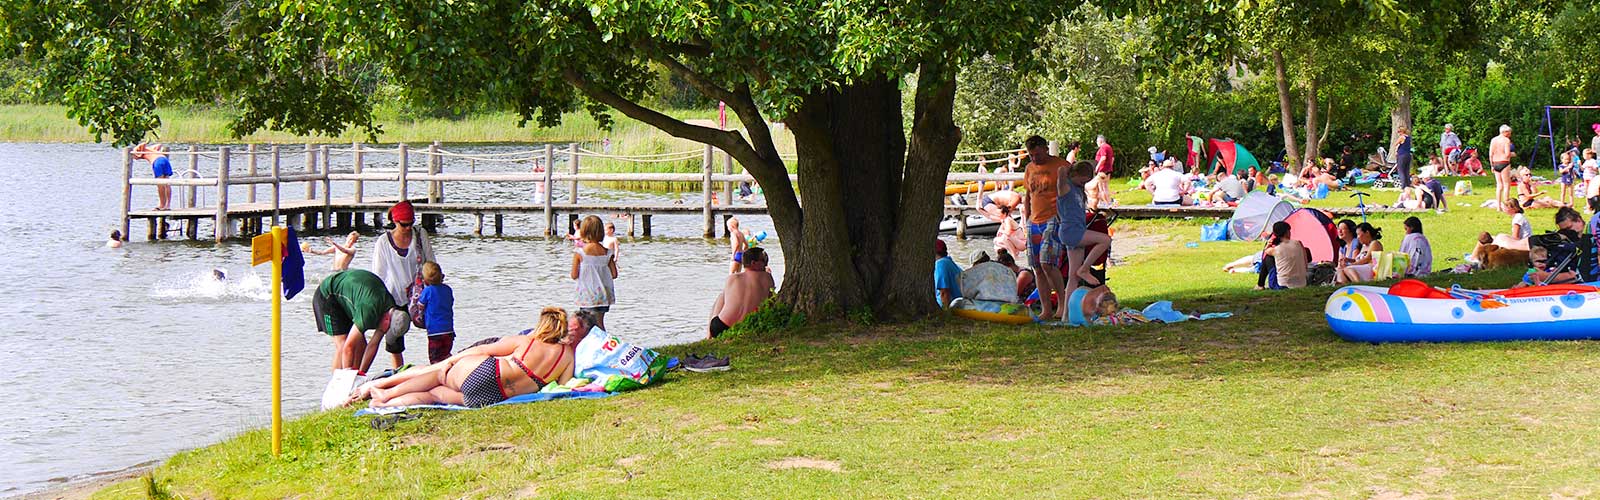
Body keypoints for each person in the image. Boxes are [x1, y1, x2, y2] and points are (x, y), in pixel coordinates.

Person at [351, 307, 574, 408]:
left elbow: (484, 351)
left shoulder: (527, 341)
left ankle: (386, 393)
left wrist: (453, 360)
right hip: (497, 395)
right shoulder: (566, 356)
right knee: (434, 396)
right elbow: (562, 386)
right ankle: (383, 403)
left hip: (490, 371)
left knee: (439, 374)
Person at [311, 269, 411, 373]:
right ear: (387, 319)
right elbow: (348, 348)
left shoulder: (390, 309)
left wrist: (361, 374)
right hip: (328, 295)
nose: (384, 332)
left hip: (352, 298)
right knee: (342, 344)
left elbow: (373, 344)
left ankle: (356, 381)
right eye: (387, 330)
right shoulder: (369, 311)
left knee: (361, 346)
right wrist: (347, 376)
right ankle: (339, 384)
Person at [1056, 161, 1112, 322]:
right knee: (1105, 240)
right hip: (1071, 232)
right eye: (1082, 180)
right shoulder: (1065, 187)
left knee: (1073, 277)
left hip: (1075, 231)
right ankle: (1085, 269)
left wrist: (1087, 169)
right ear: (1073, 175)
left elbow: (1093, 163)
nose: (1084, 184)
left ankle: (1066, 316)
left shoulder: (1078, 189)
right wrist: (1070, 168)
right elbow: (1060, 170)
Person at [1021, 135, 1068, 320]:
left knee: (1047, 262)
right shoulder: (1029, 168)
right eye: (1031, 155)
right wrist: (1026, 219)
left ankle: (1063, 303)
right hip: (1034, 220)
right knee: (1037, 267)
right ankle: (1046, 309)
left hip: (1054, 217)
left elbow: (1072, 191)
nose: (1035, 159)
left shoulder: (1061, 166)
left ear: (1045, 149)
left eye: (1038, 154)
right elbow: (1027, 194)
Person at [710, 247, 775, 337]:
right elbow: (771, 301)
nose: (766, 264)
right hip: (746, 325)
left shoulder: (732, 278)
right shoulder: (767, 277)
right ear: (754, 263)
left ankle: (708, 336)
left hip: (721, 325)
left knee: (722, 296)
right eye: (763, 261)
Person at [571, 215, 618, 330]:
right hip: (603, 295)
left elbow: (574, 275)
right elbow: (614, 274)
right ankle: (605, 344)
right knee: (599, 323)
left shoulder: (580, 253)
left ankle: (598, 345)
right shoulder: (607, 252)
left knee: (588, 326)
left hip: (587, 295)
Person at [1547, 207, 1600, 284]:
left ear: (1579, 220)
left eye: (1569, 228)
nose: (1568, 232)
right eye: (1564, 230)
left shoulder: (1591, 232)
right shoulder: (1567, 241)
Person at [417, 262, 456, 365]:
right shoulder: (447, 289)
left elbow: (420, 305)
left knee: (435, 359)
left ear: (425, 280)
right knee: (446, 355)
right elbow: (450, 302)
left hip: (434, 331)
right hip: (448, 330)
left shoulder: (428, 291)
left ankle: (439, 378)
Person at [1257, 221, 1310, 290]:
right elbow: (1305, 262)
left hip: (1282, 285)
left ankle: (1260, 285)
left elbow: (1265, 252)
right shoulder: (1298, 243)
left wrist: (1268, 244)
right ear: (1287, 232)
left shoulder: (1276, 249)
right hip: (1302, 283)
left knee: (1268, 258)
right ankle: (1260, 285)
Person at [133, 143, 173, 211]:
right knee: (167, 183)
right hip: (164, 159)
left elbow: (142, 145)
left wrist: (137, 149)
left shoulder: (139, 150)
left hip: (157, 161)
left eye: (133, 156)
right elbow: (159, 145)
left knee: (160, 184)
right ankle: (167, 205)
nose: (134, 158)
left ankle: (162, 205)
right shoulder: (151, 149)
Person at [1490, 124, 1516, 208]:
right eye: (1509, 133)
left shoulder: (1493, 140)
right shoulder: (1506, 140)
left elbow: (1491, 154)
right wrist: (1513, 154)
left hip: (1495, 162)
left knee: (1499, 185)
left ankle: (1498, 206)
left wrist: (1492, 165)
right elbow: (1507, 154)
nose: (1510, 134)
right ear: (1505, 132)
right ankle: (1506, 205)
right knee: (1506, 184)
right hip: (1504, 162)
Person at [932, 239, 964, 309]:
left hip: (948, 305)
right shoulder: (949, 262)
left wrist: (946, 313)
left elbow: (944, 292)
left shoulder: (940, 264)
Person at [1092, 135, 1115, 206]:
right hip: (1108, 169)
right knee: (1106, 187)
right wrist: (1110, 166)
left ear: (1101, 141)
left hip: (1102, 169)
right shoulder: (1109, 147)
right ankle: (1108, 201)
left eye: (1097, 142)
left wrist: (1097, 167)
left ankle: (1104, 203)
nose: (1097, 143)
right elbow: (1112, 158)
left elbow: (1103, 158)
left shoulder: (1103, 147)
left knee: (1101, 187)